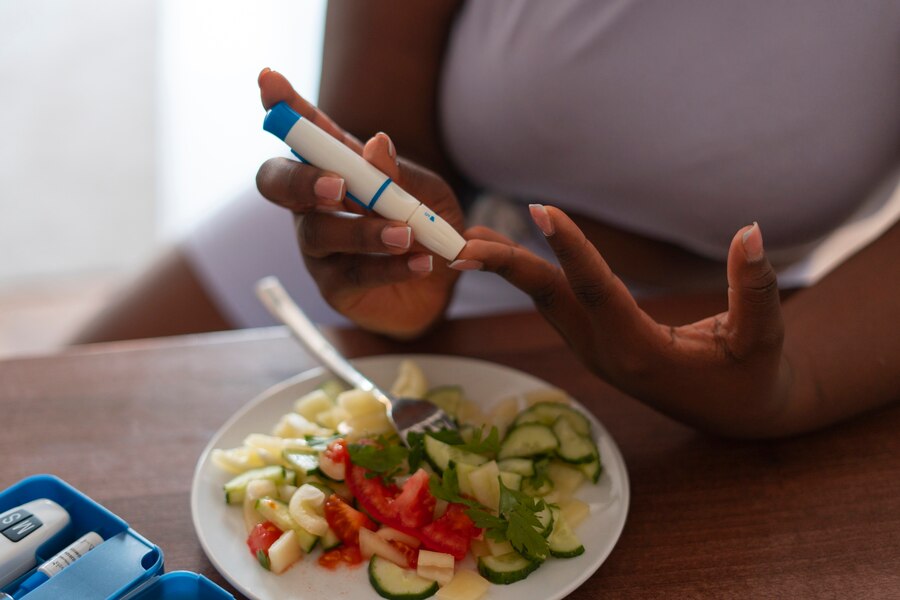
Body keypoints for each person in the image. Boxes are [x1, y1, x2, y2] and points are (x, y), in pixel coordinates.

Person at [74, 1, 900, 438]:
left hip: (738, 319)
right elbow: (375, 147)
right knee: (52, 439)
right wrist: (389, 253)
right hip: (428, 236)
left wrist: (788, 388)